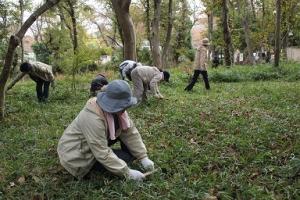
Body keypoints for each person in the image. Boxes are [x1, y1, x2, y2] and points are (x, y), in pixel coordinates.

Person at [57, 80, 155, 181]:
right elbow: (101, 152)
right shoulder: (92, 118)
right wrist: (127, 172)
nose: (124, 109)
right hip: (76, 155)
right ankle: (90, 170)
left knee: (128, 154)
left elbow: (130, 132)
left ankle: (118, 162)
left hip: (92, 145)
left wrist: (143, 157)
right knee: (125, 158)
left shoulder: (119, 112)